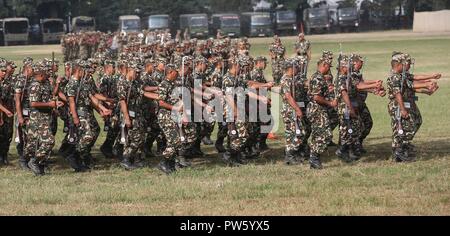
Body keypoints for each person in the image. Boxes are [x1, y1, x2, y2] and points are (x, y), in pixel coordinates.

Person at [26, 61, 64, 175]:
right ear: (40, 75)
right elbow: (33, 103)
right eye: (46, 74)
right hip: (38, 118)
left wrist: (55, 103)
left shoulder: (45, 83)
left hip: (46, 117)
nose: (48, 76)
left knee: (44, 142)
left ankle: (40, 166)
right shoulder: (35, 86)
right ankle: (34, 161)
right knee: (49, 141)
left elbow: (52, 95)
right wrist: (49, 105)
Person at [307, 57, 337, 169]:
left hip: (317, 109)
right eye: (329, 66)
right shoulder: (318, 78)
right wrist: (330, 103)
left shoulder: (317, 76)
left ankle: (313, 159)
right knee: (326, 134)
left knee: (317, 134)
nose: (329, 69)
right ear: (324, 65)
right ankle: (314, 157)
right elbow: (316, 97)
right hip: (317, 109)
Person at [14, 57, 34, 169]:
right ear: (27, 69)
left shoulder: (32, 80)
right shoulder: (20, 80)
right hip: (23, 111)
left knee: (30, 136)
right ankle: (22, 159)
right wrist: (20, 116)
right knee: (21, 136)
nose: (34, 71)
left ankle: (30, 158)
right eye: (32, 69)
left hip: (32, 112)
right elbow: (17, 100)